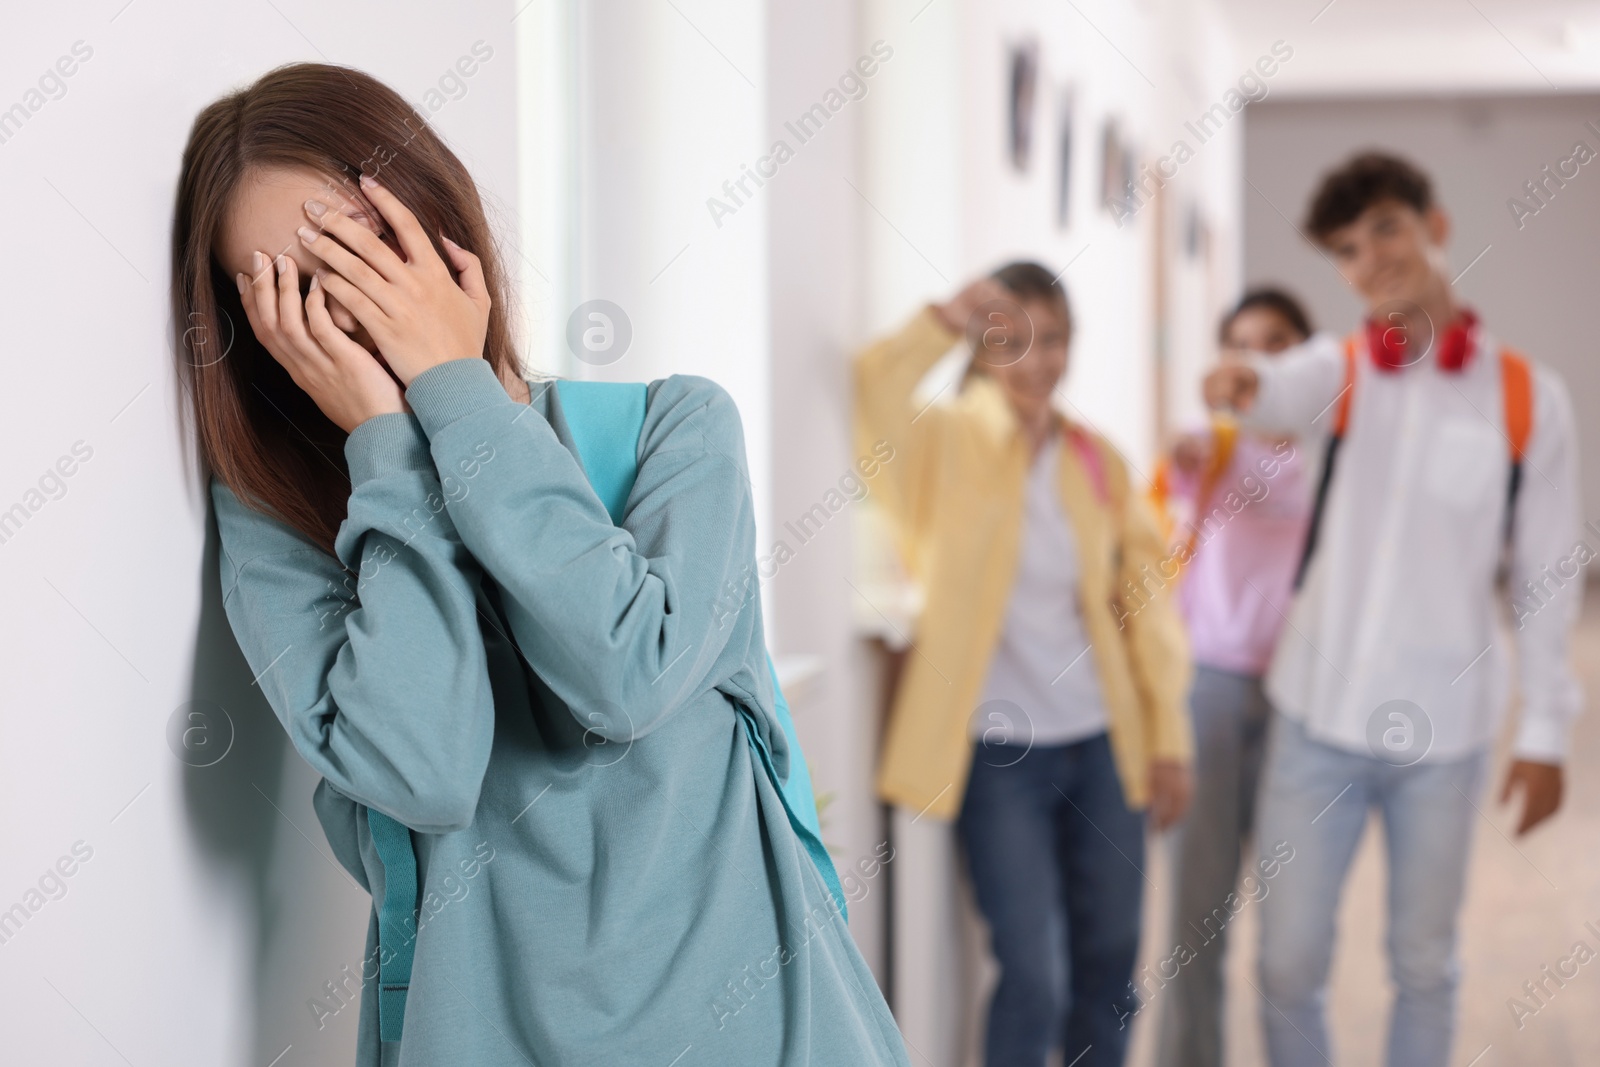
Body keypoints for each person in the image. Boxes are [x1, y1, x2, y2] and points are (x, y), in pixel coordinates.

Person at [174, 62, 911, 1067]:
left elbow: (624, 675)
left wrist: (453, 388)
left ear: (443, 227)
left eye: (360, 248)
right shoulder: (283, 529)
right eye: (291, 291)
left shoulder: (674, 431)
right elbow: (421, 775)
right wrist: (390, 454)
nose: (344, 309)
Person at [1203, 151, 1585, 1067]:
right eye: (1347, 247)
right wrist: (1238, 388)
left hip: (1442, 738)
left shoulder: (1532, 399)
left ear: (1434, 225)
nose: (1371, 257)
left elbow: (1548, 573)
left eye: (1385, 227)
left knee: (1425, 963)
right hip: (1314, 719)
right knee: (1289, 964)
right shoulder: (1333, 370)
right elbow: (1270, 391)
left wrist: (1546, 734)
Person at [854, 262, 1194, 1067]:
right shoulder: (947, 440)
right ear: (984, 344)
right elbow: (873, 385)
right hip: (997, 753)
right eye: (1020, 339)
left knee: (1109, 965)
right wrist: (946, 314)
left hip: (1103, 744)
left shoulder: (1096, 460)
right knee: (1033, 973)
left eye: (1058, 340)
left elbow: (1148, 610)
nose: (1041, 360)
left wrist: (1168, 737)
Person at [1150, 289, 1317, 1067]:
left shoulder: (1330, 459)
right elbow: (1181, 465)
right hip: (1210, 693)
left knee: (1295, 932)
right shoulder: (1208, 450)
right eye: (1241, 346)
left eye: (1277, 343)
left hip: (1303, 701)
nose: (1258, 360)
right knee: (1197, 918)